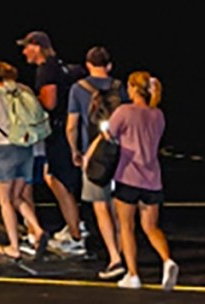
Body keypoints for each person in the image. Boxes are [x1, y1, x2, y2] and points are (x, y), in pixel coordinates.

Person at [103, 71, 176, 290]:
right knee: (151, 226)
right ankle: (167, 260)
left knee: (126, 226)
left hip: (127, 175)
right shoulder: (158, 115)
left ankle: (133, 274)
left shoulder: (124, 111)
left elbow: (109, 135)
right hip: (152, 178)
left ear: (134, 88)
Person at [19, 29, 88, 257]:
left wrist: (27, 98)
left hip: (58, 131)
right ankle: (75, 226)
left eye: (26, 47)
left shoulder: (46, 69)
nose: (24, 52)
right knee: (55, 178)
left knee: (59, 182)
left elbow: (49, 102)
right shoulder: (60, 66)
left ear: (37, 46)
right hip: (72, 129)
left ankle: (77, 238)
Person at [0, 54, 47, 258]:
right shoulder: (19, 91)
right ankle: (37, 228)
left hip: (3, 149)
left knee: (5, 200)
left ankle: (13, 247)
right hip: (25, 147)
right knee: (18, 196)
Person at [72, 47, 128, 280]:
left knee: (100, 206)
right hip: (120, 153)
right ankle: (125, 252)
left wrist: (75, 151)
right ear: (109, 65)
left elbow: (71, 124)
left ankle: (114, 257)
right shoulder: (120, 87)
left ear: (87, 65)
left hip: (93, 156)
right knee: (119, 208)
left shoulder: (78, 89)